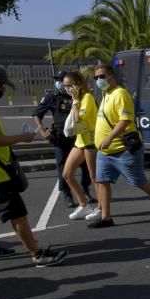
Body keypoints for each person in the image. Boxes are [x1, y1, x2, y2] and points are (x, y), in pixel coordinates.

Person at [0, 62, 67, 272]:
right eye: (0, 84)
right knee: (18, 215)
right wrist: (22, 138)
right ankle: (38, 254)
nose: (2, 89)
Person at [89, 63, 150, 228]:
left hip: (123, 150)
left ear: (111, 77)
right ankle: (106, 218)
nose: (98, 80)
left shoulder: (120, 94)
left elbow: (125, 120)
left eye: (101, 76)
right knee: (102, 181)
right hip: (105, 152)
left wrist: (108, 138)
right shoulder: (106, 94)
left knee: (139, 181)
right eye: (96, 77)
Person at [32, 71, 93, 208]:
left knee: (85, 167)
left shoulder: (81, 96)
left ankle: (85, 191)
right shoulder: (52, 97)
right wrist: (43, 129)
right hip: (60, 138)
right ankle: (67, 194)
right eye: (59, 81)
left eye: (63, 81)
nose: (60, 84)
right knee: (62, 167)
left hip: (78, 137)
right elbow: (37, 114)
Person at [61, 71, 101, 220]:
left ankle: (101, 208)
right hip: (80, 141)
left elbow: (78, 120)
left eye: (70, 85)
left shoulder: (87, 98)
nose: (68, 88)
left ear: (78, 84)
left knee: (94, 177)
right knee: (66, 174)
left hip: (90, 141)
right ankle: (83, 205)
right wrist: (75, 100)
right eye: (66, 86)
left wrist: (76, 101)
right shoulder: (77, 98)